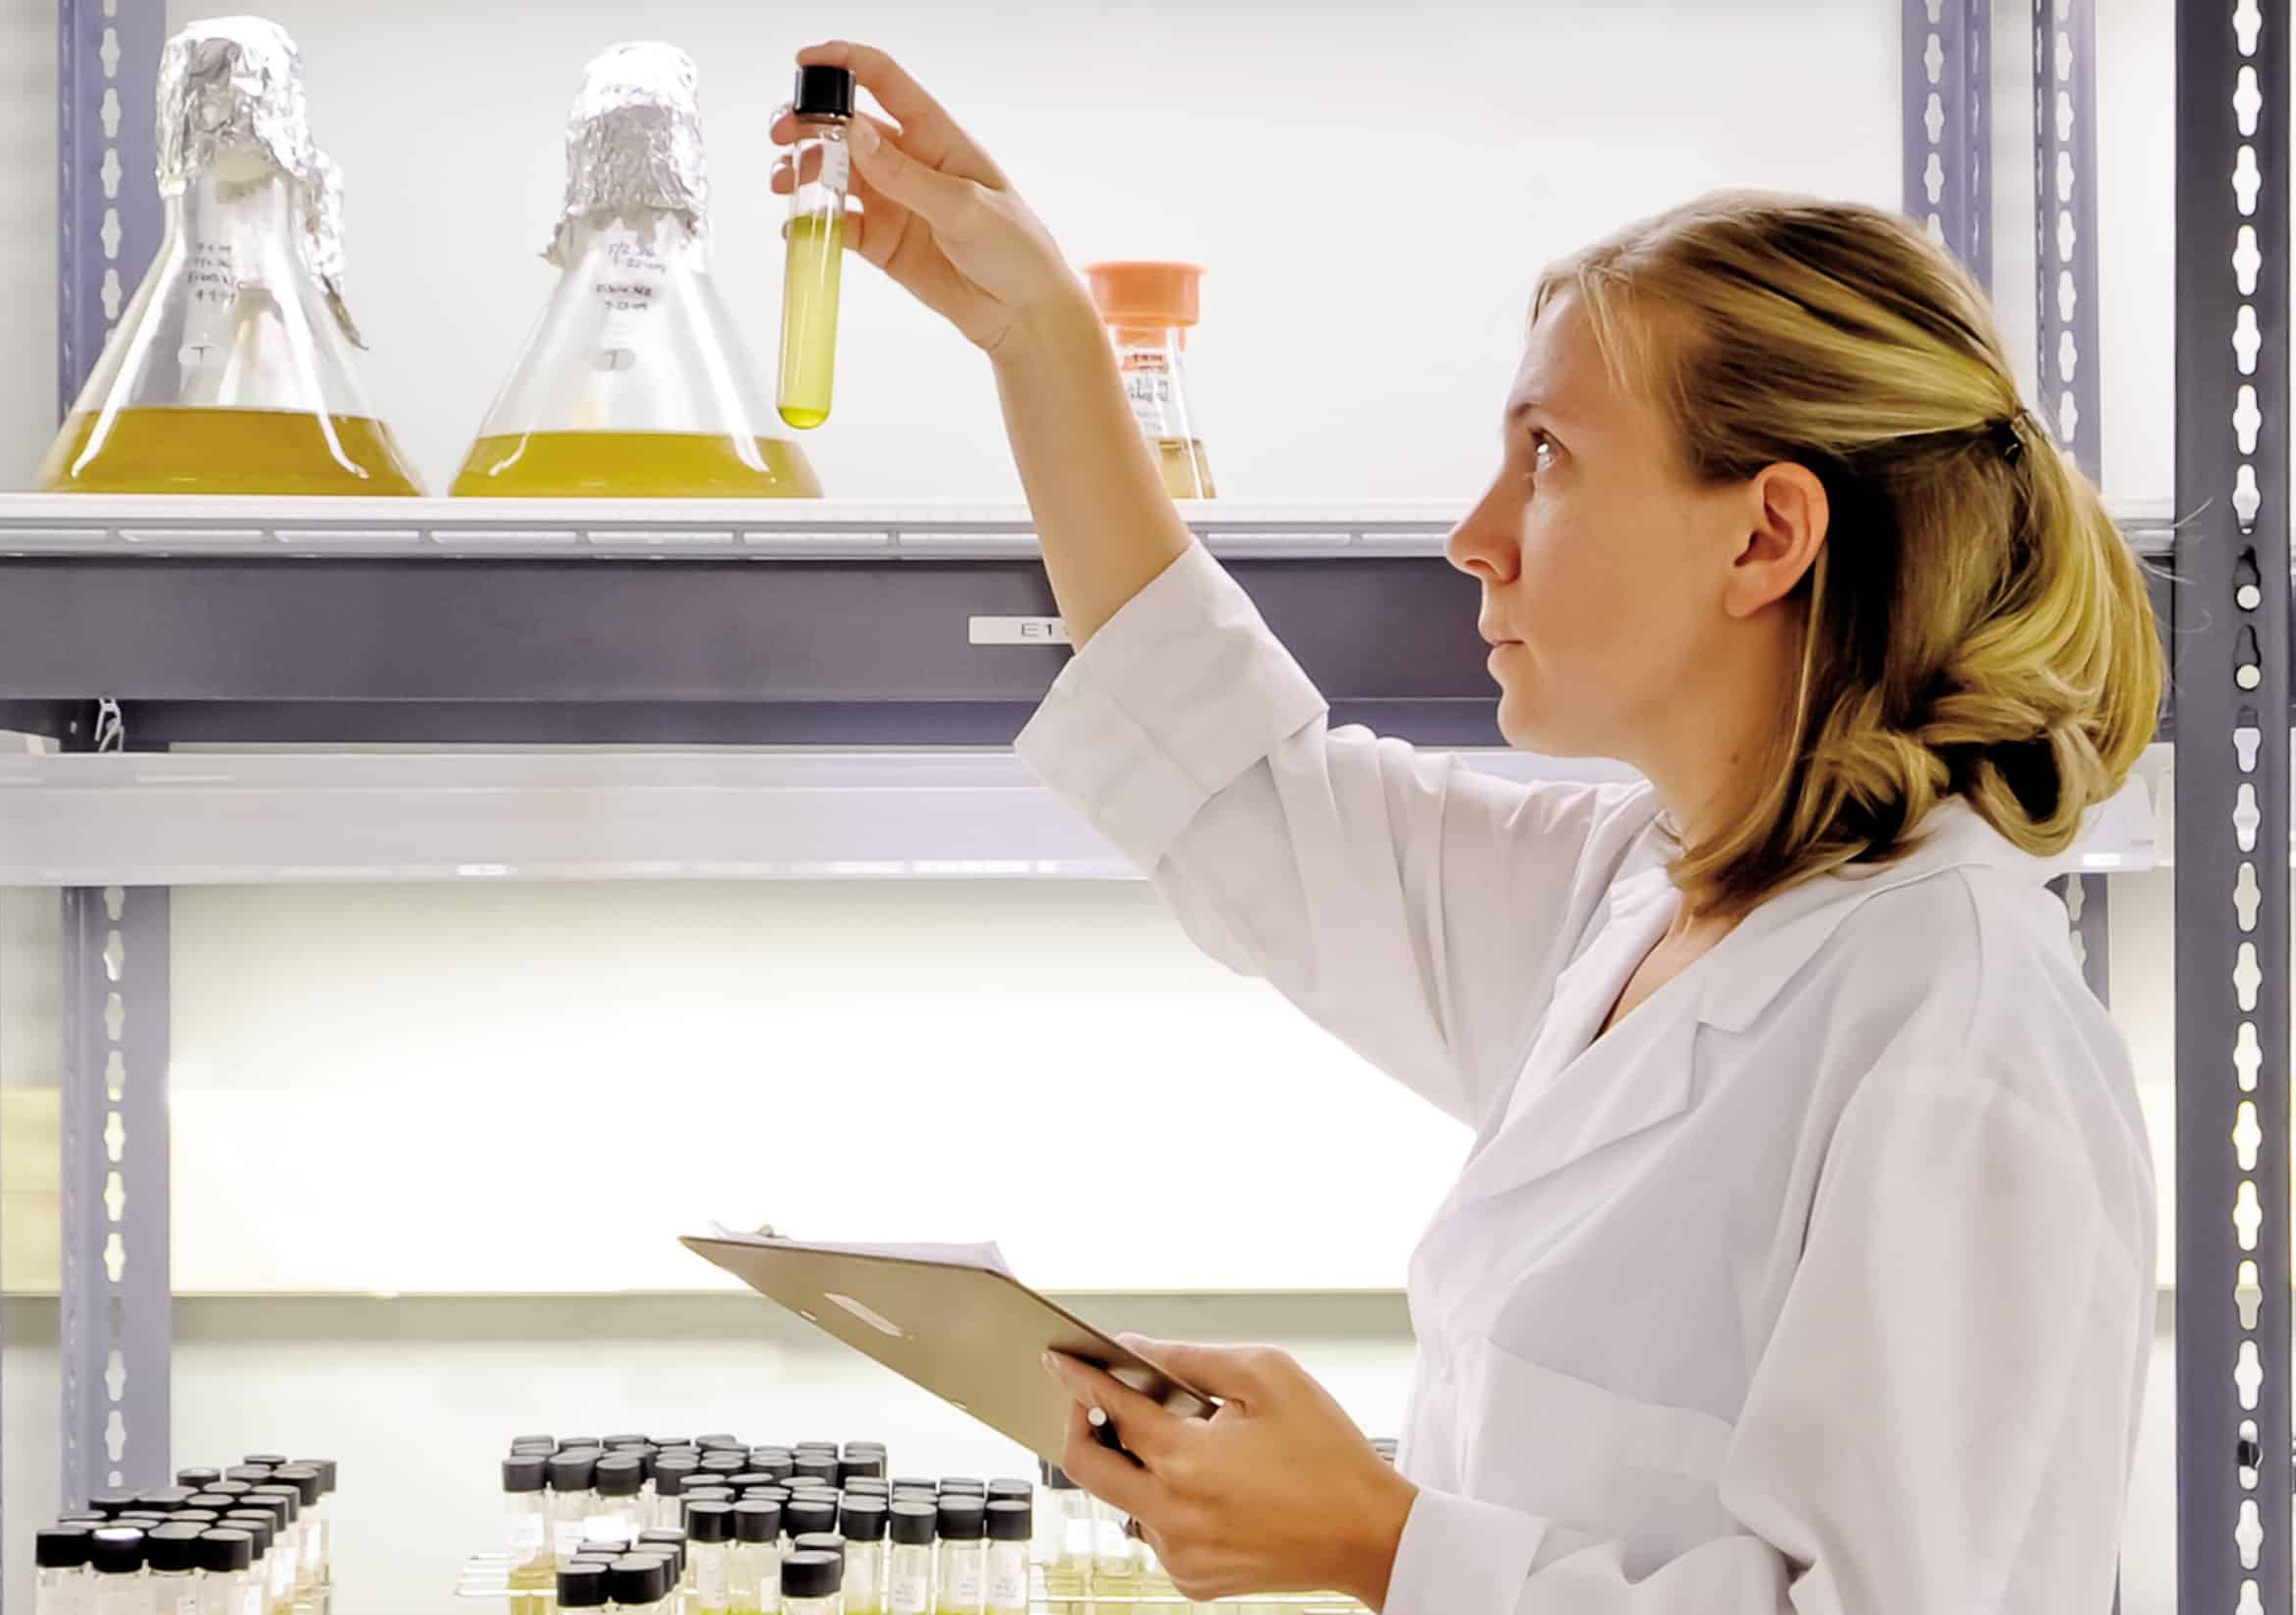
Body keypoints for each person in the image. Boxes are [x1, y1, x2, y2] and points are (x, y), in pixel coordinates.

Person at [773, 42, 2164, 1614]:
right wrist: (1037, 335)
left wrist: (1381, 1540)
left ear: (1767, 533)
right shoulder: (1635, 896)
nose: (1474, 537)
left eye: (1548, 456)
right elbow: (1254, 799)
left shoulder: (1956, 1029)